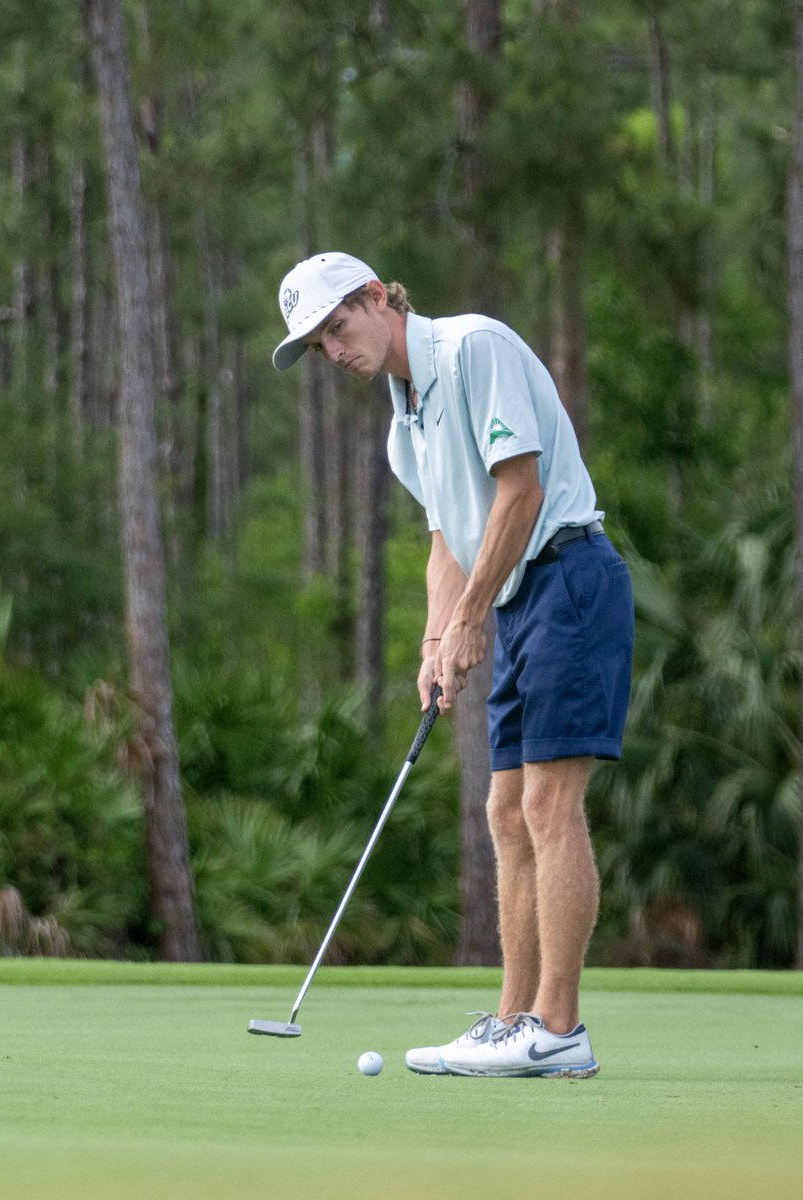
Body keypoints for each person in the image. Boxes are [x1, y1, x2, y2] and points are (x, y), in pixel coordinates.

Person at [272, 252, 633, 1078]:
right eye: (316, 344)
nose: (333, 350)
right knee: (504, 811)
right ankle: (513, 1021)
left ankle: (561, 1029)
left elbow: (521, 492)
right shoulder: (406, 422)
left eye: (336, 326)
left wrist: (472, 617)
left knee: (546, 804)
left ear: (376, 298)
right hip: (512, 596)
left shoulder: (474, 348)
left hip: (569, 578)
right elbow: (446, 542)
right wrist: (438, 642)